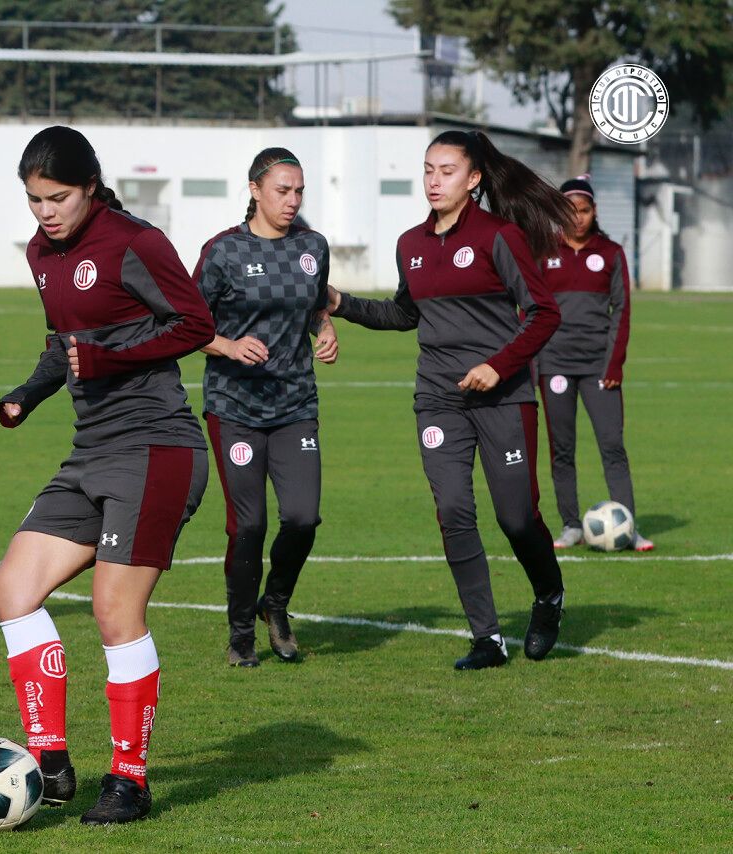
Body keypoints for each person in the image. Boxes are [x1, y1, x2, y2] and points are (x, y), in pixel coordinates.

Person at [0, 126, 214, 825]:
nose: (46, 212)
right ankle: (51, 764)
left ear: (90, 187)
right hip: (92, 452)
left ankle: (131, 781)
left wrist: (109, 360)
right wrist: (27, 393)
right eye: (34, 200)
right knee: (11, 590)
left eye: (58, 197)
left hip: (158, 447)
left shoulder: (135, 242)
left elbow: (196, 324)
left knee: (115, 612)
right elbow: (66, 346)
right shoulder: (39, 253)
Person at [326, 130, 571, 671]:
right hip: (437, 399)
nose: (434, 181)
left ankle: (549, 597)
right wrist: (341, 303)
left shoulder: (499, 237)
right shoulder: (411, 244)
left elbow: (544, 313)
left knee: (516, 517)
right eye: (428, 170)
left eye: (447, 171)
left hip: (503, 399)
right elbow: (405, 314)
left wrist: (496, 366)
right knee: (454, 512)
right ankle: (487, 638)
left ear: (474, 178)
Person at [193, 147, 339, 667]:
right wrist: (228, 346)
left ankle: (274, 603)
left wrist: (325, 328)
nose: (292, 200)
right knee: (248, 526)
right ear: (255, 189)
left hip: (295, 402)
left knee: (302, 517)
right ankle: (239, 636)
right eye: (282, 190)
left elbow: (316, 303)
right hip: (234, 406)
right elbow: (186, 324)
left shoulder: (313, 247)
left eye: (299, 190)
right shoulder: (223, 252)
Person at [537, 175, 652, 551]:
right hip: (554, 366)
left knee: (612, 446)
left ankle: (628, 527)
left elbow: (622, 311)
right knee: (562, 449)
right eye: (570, 211)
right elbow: (531, 311)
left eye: (584, 210)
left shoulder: (612, 253)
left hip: (599, 369)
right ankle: (571, 525)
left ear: (594, 211)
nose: (578, 218)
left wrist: (614, 366)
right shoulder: (543, 253)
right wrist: (533, 364)